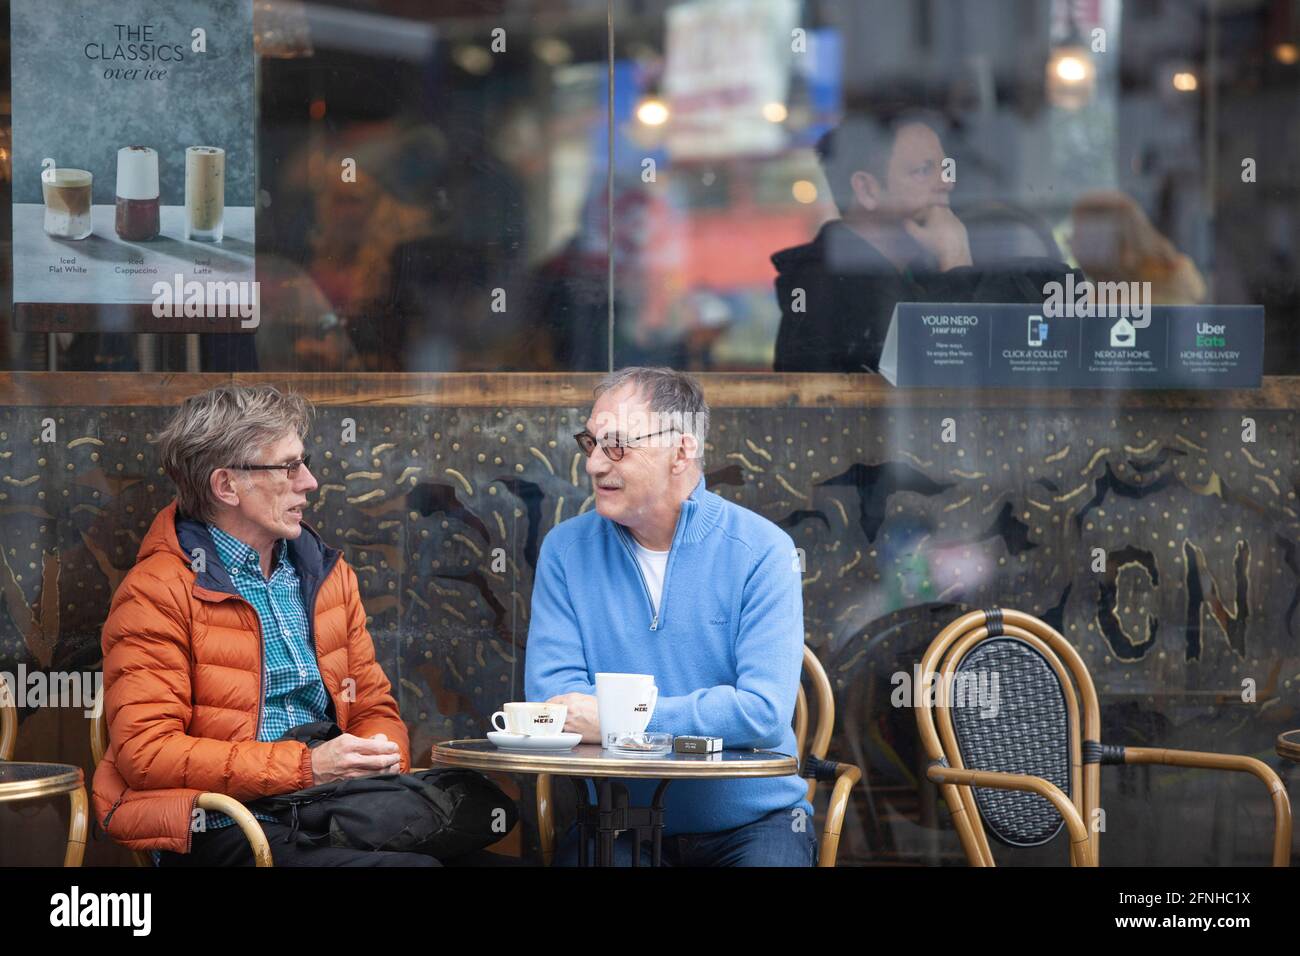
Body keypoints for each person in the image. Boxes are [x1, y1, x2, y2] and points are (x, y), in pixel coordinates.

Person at [92, 384, 435, 866]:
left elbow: (372, 705)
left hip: (331, 809)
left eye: (304, 462)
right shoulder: (156, 591)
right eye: (289, 467)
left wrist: (378, 754)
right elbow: (148, 753)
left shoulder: (327, 576)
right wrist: (308, 767)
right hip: (224, 827)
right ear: (226, 486)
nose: (310, 482)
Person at [524, 366, 815, 866]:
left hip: (752, 824)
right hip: (616, 824)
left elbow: (762, 712)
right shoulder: (565, 550)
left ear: (681, 450)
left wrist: (620, 718)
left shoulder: (763, 551)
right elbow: (555, 703)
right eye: (590, 442)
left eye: (616, 446)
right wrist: (704, 714)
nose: (593, 464)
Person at [772, 109, 1081, 372]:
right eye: (923, 171)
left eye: (944, 169)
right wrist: (955, 258)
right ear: (867, 190)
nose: (947, 182)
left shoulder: (901, 273)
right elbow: (953, 380)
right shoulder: (831, 288)